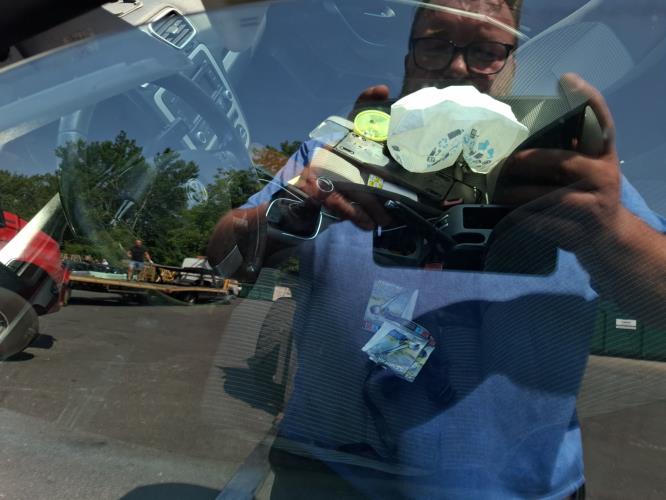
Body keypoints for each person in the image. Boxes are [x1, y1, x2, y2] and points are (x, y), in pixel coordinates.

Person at [207, 1, 666, 498]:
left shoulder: (564, 171)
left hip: (519, 490)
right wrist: (293, 210)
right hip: (327, 474)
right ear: (408, 59)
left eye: (486, 50)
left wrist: (611, 230)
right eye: (434, 44)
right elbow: (223, 258)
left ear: (513, 66)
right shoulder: (344, 150)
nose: (458, 66)